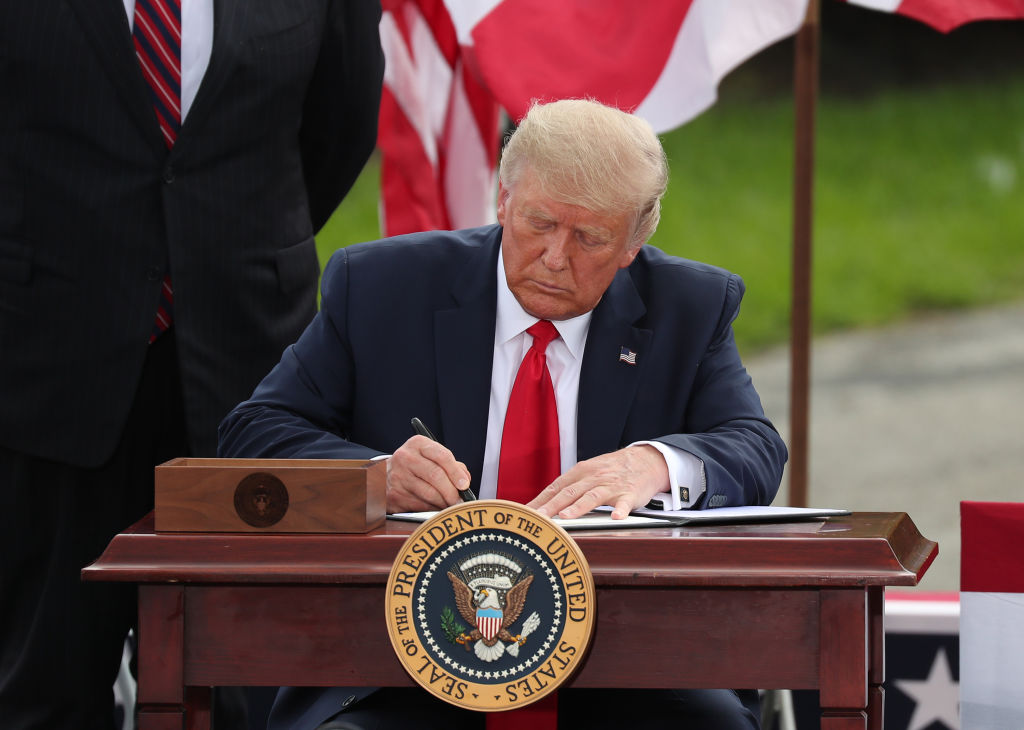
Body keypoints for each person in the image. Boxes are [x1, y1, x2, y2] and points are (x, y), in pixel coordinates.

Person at [219, 98, 787, 730]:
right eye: (539, 222)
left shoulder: (691, 305)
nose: (554, 256)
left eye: (590, 238)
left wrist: (654, 464)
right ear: (502, 200)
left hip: (627, 657)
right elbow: (253, 434)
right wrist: (373, 477)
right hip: (402, 656)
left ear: (633, 241)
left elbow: (754, 447)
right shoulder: (381, 285)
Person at [0, 2, 384, 728]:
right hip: (46, 369)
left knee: (249, 684)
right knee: (40, 681)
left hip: (251, 368)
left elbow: (339, 128)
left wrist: (228, 247)